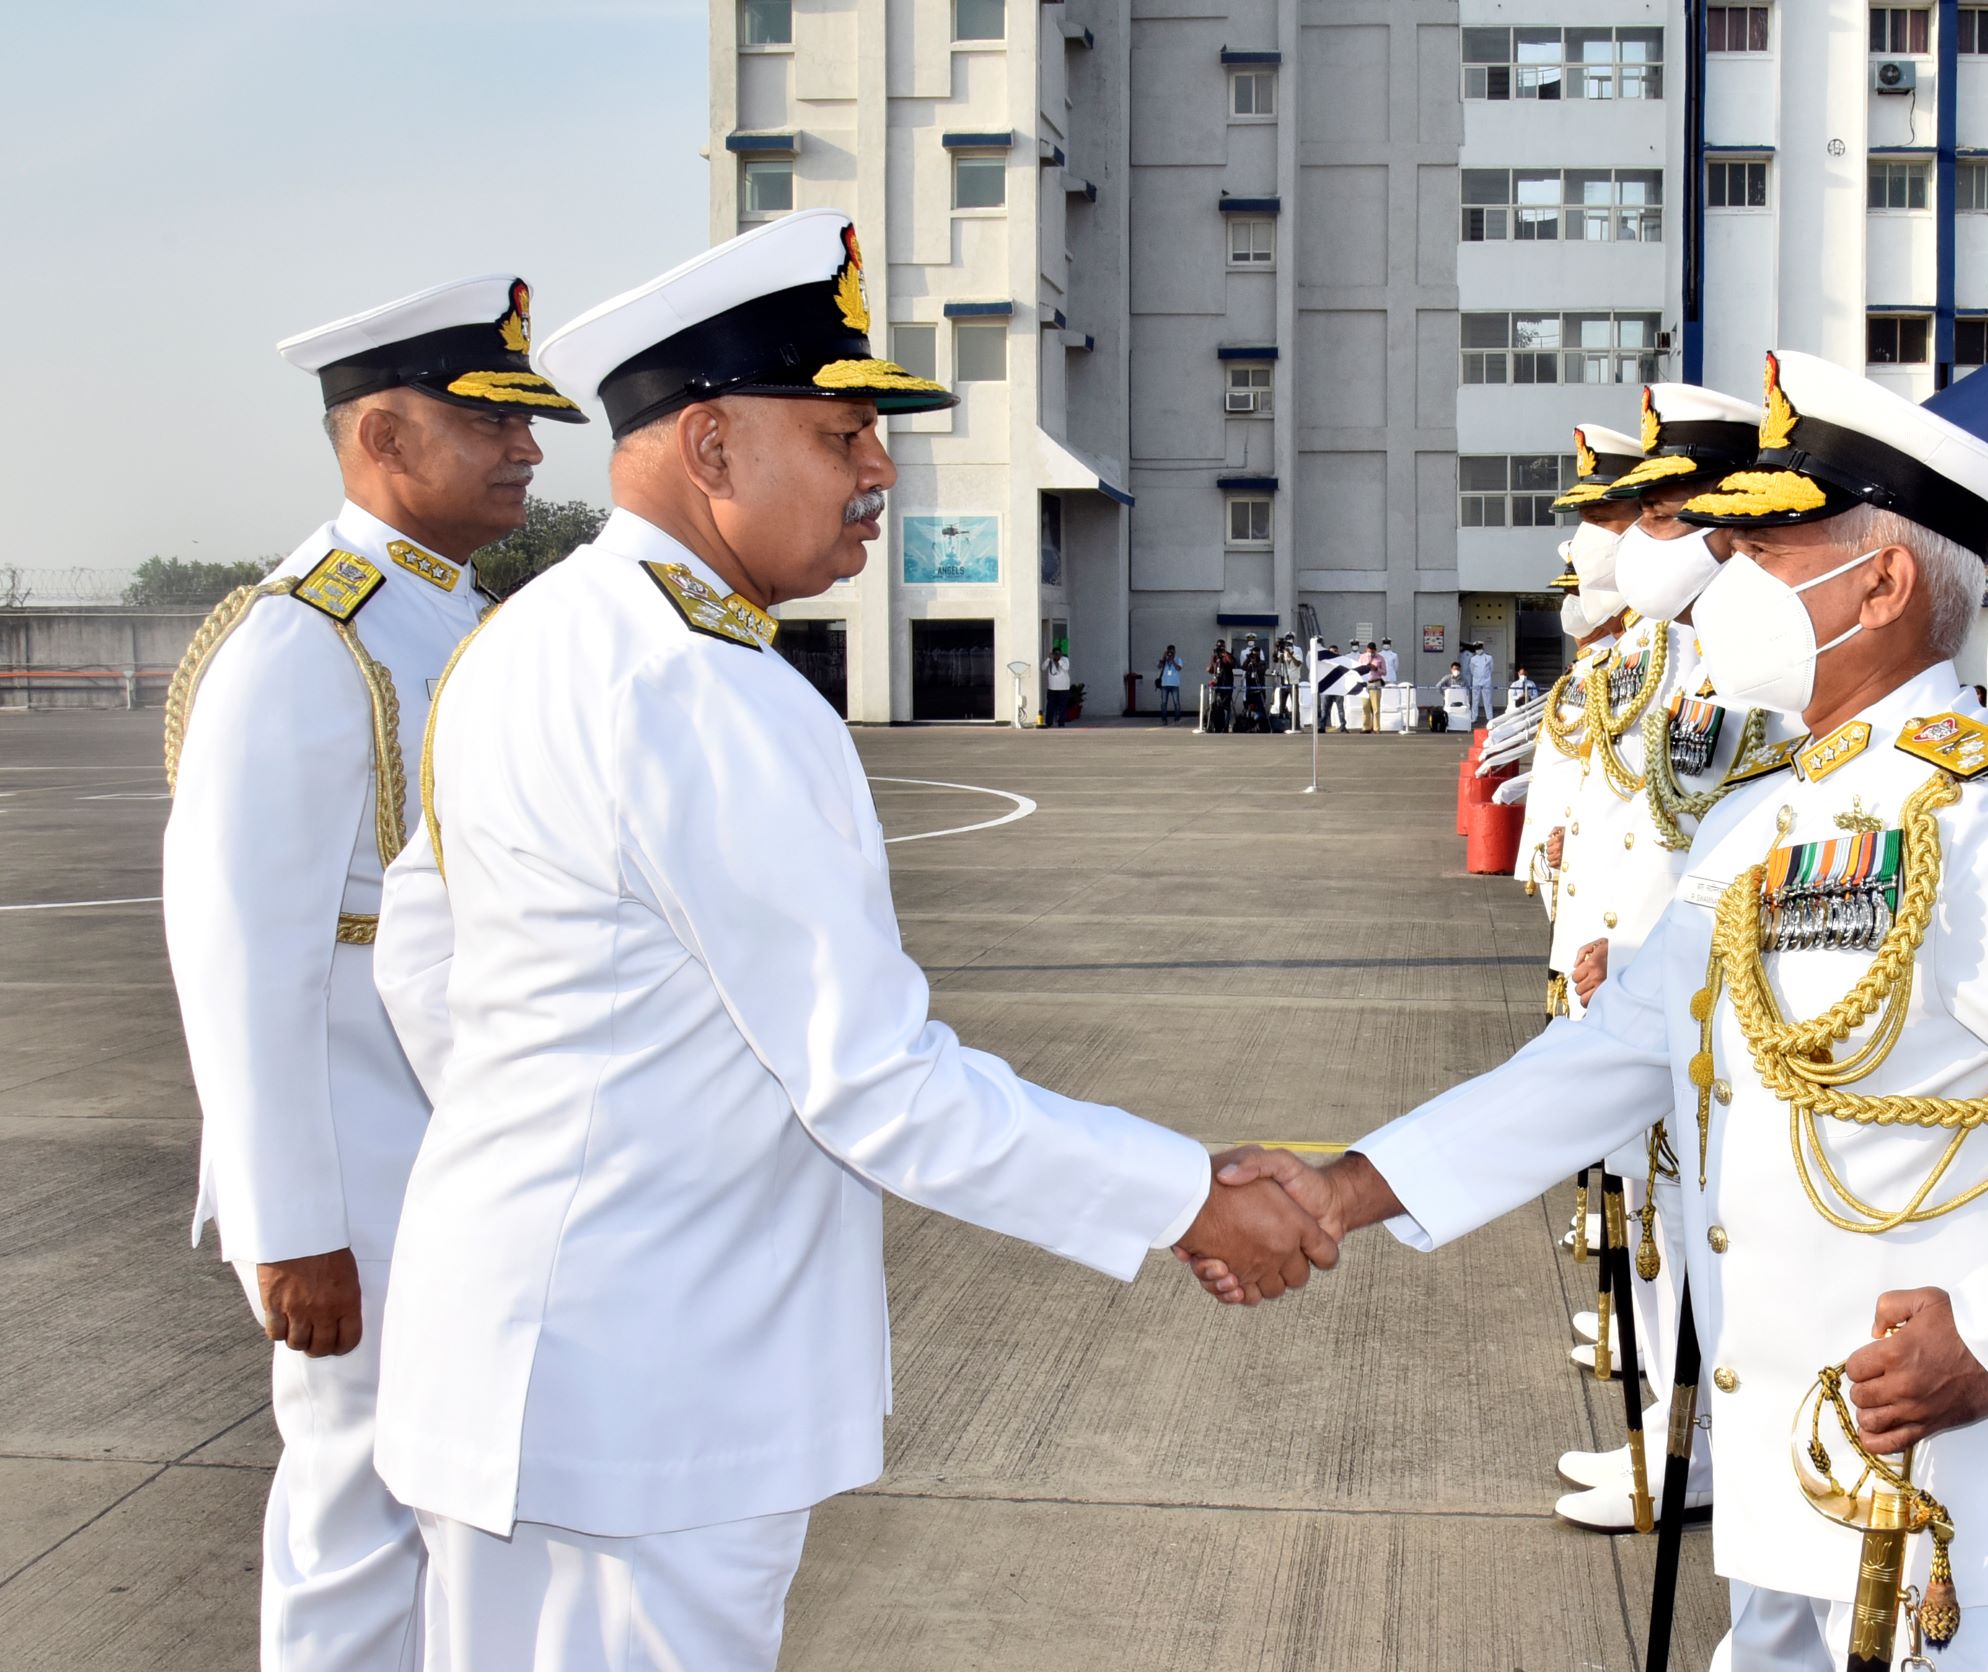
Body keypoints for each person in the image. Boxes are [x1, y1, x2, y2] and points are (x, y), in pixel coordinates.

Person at [1199, 349, 1988, 1669]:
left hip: (1974, 1518)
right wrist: (1345, 1189)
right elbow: (1611, 1058)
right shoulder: (1767, 820)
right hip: (1798, 1504)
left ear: (1880, 583)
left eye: (1768, 550)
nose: (1724, 580)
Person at [366, 211, 1334, 1668]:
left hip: (509, 1354)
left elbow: (419, 963)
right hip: (663, 1398)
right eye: (839, 435)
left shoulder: (526, 637)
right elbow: (873, 1082)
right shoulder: (712, 693)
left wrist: (570, 1152)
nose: (879, 471)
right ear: (710, 449)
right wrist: (1187, 1195)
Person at [161, 272, 589, 1672]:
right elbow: (239, 955)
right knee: (357, 1519)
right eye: (493, 424)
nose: (529, 449)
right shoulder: (306, 638)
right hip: (360, 1181)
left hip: (464, 1165)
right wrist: (286, 1224)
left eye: (529, 423)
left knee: (461, 1517)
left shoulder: (457, 625)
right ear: (383, 440)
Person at [1541, 383, 1771, 1532]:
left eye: (1661, 514)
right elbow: (1642, 815)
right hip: (1638, 979)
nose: (1634, 539)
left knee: (1707, 1231)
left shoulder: (1756, 653)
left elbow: (1738, 843)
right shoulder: (1679, 649)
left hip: (1709, 1006)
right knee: (1659, 1217)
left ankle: (1712, 1445)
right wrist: (1606, 940)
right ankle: (1669, 1435)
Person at [1204, 638, 1235, 732]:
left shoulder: (1227, 655)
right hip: (1217, 684)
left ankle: (1225, 727)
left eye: (1221, 646)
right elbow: (1211, 669)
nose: (1219, 648)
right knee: (1215, 705)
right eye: (1218, 646)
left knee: (1226, 706)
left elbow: (1232, 664)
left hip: (1227, 684)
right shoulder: (1215, 657)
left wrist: (1224, 654)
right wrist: (1210, 666)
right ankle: (1215, 725)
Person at [1042, 640, 1073, 727]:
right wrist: (1048, 659)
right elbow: (1043, 667)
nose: (1057, 655)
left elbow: (1066, 668)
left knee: (1062, 706)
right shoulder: (1050, 661)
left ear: (1061, 654)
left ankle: (1061, 722)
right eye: (1055, 653)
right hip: (1052, 687)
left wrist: (1059, 660)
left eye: (1058, 653)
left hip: (1064, 687)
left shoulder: (1065, 659)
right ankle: (1049, 722)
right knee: (1050, 706)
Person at [1468, 640, 1499, 725]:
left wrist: (1486, 677)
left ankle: (1489, 718)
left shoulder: (1489, 657)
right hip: (1476, 681)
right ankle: (1474, 718)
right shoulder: (1473, 659)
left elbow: (1491, 669)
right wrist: (1477, 677)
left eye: (1479, 648)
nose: (1478, 650)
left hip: (1486, 681)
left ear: (1482, 648)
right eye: (1477, 648)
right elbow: (1472, 670)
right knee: (1475, 700)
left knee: (1487, 700)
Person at [1359, 641, 1386, 732]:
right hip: (1365, 683)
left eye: (1373, 651)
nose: (1371, 653)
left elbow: (1384, 672)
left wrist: (1376, 669)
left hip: (1375, 682)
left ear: (1375, 650)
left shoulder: (1380, 658)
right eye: (1369, 651)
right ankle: (1366, 727)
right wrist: (1365, 668)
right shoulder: (1362, 657)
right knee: (1365, 706)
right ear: (1366, 649)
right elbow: (1358, 670)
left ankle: (1376, 728)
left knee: (1376, 707)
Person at [1155, 644, 1183, 724]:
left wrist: (1173, 660)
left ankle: (1177, 719)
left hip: (1174, 684)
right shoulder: (1164, 660)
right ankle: (1164, 719)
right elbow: (1159, 666)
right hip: (1165, 684)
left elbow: (1179, 668)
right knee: (1164, 703)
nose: (1170, 653)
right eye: (1169, 651)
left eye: (1172, 651)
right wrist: (1163, 657)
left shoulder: (1178, 659)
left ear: (1175, 651)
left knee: (1176, 702)